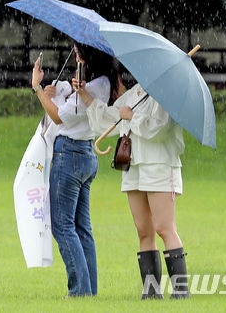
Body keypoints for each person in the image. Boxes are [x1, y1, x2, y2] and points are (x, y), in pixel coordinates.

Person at [77, 71, 191, 299]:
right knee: (143, 230)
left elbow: (160, 129)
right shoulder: (136, 93)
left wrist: (131, 118)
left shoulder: (168, 95)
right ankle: (151, 291)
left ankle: (180, 291)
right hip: (134, 167)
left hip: (159, 165)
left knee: (164, 228)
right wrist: (86, 96)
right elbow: (111, 117)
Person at [31, 41, 117, 297]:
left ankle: (79, 291)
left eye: (78, 51)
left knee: (63, 227)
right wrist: (60, 88)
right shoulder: (103, 83)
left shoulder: (88, 88)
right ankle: (89, 289)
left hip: (69, 155)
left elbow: (59, 117)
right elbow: (73, 93)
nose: (75, 55)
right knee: (82, 228)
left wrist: (37, 88)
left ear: (86, 56)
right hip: (87, 154)